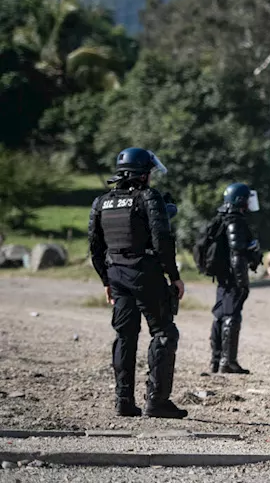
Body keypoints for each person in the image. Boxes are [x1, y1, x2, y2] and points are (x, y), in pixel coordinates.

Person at [88, 148, 187, 419]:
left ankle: (124, 401)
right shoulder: (148, 197)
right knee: (164, 332)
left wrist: (106, 280)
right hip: (145, 274)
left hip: (116, 275)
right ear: (143, 175)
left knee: (125, 336)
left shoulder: (101, 202)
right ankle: (157, 402)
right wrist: (174, 276)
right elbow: (162, 241)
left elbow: (95, 247)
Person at [210, 183, 263, 375]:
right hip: (232, 277)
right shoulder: (235, 221)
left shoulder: (224, 218)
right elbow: (236, 254)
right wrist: (242, 282)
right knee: (231, 317)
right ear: (240, 200)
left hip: (224, 276)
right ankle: (227, 362)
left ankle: (217, 361)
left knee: (221, 315)